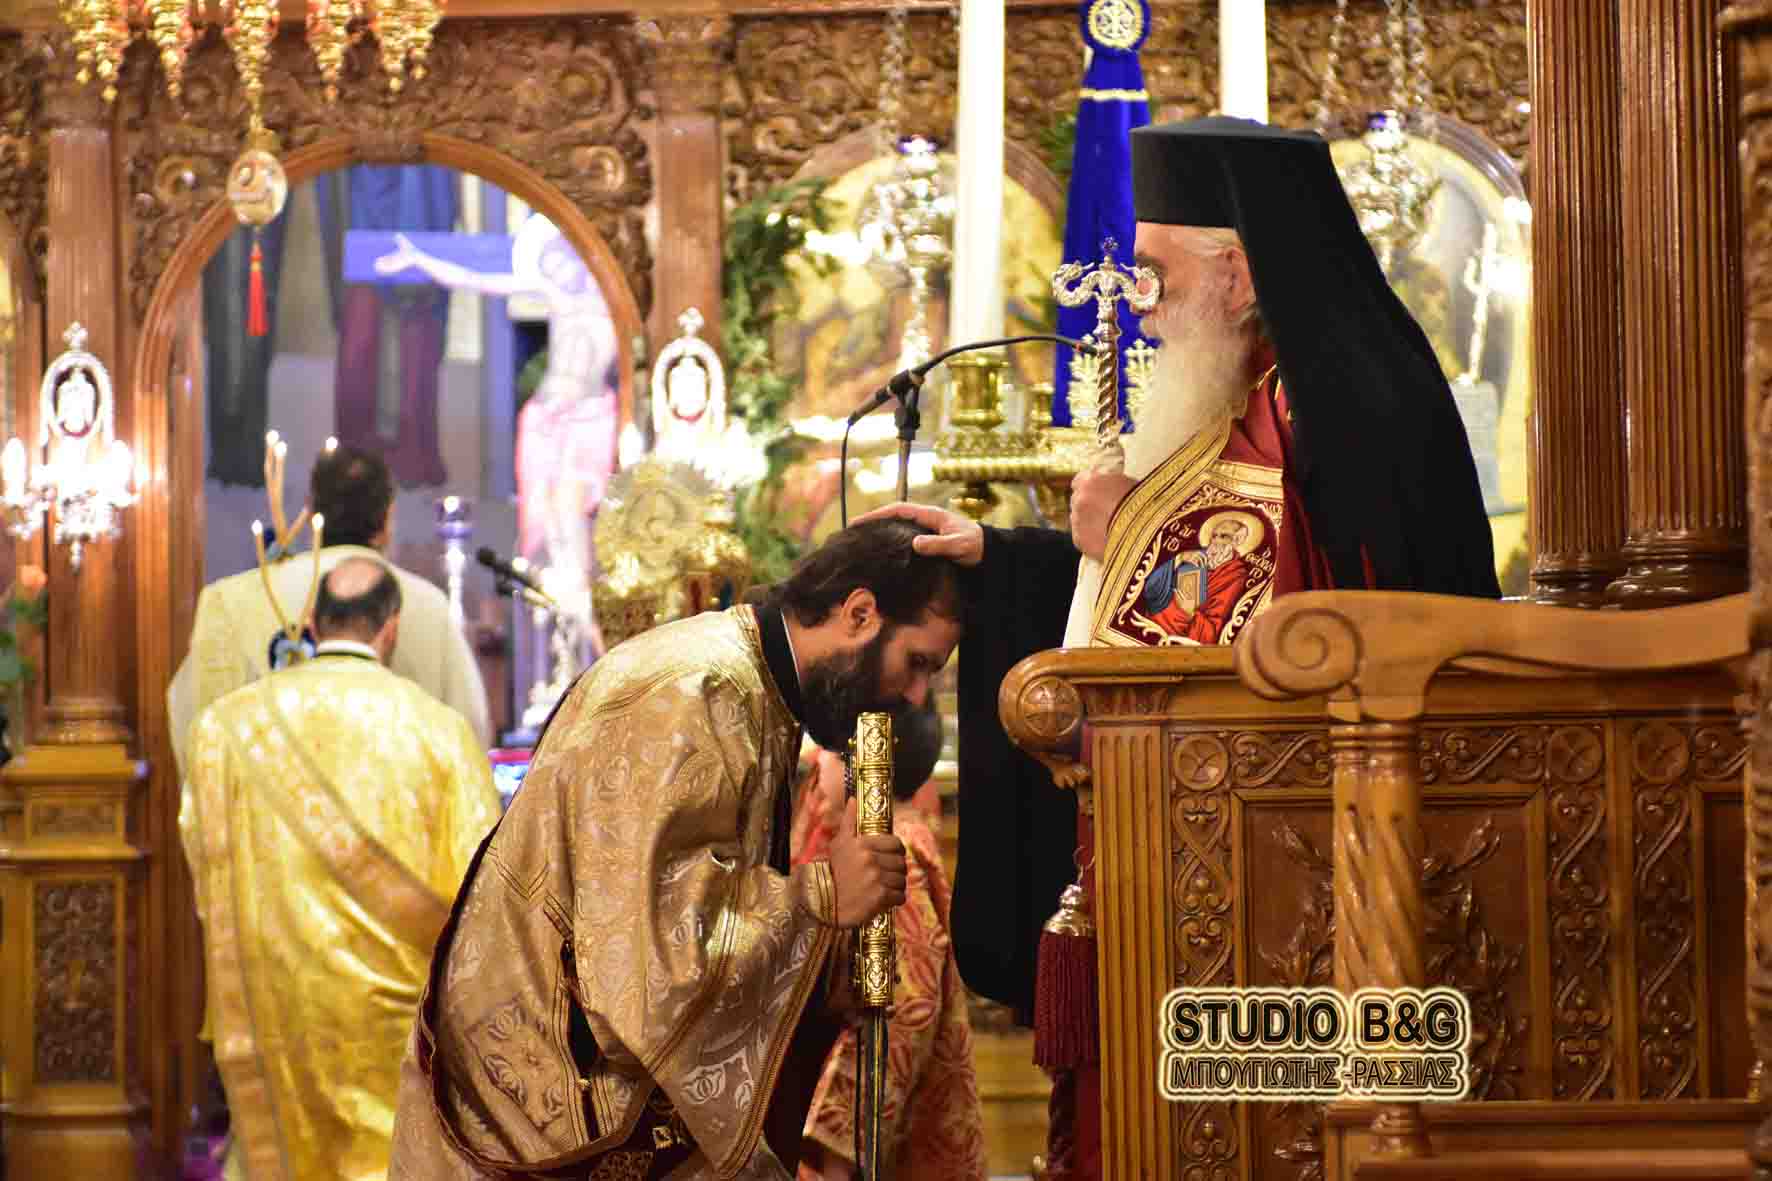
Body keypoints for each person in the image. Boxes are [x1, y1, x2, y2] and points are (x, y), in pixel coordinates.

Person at [858, 116, 1499, 1180]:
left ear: (1237, 275)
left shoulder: (1334, 401)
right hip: (1200, 834)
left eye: (1154, 276)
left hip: (1307, 861)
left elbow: (1303, 615)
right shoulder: (1245, 392)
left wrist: (1123, 531)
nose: (1139, 309)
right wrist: (1005, 560)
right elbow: (1165, 591)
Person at [388, 518, 967, 1179]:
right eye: (918, 664)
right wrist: (821, 896)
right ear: (860, 614)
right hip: (544, 1099)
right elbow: (644, 961)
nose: (914, 696)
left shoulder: (755, 686)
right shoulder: (695, 691)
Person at [179, 558, 503, 1181]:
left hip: (273, 1006)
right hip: (395, 1019)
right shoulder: (440, 732)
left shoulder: (223, 728)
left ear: (310, 621)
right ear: (391, 628)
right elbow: (479, 899)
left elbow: (206, 867)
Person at [167, 443, 494, 766]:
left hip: (267, 799)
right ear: (387, 518)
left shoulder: (232, 600)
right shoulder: (428, 606)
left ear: (311, 513)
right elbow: (470, 732)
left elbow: (194, 726)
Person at [792, 706, 987, 1181]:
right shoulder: (891, 835)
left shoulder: (888, 851)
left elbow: (903, 1009)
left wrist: (840, 1147)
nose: (817, 769)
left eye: (830, 754)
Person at [374, 214, 620, 587]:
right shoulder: (555, 295)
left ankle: (579, 609)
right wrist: (420, 260)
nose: (554, 271)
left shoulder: (614, 299)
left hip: (588, 418)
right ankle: (545, 611)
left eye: (560, 260)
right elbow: (474, 279)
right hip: (543, 418)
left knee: (571, 514)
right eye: (548, 264)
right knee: (541, 524)